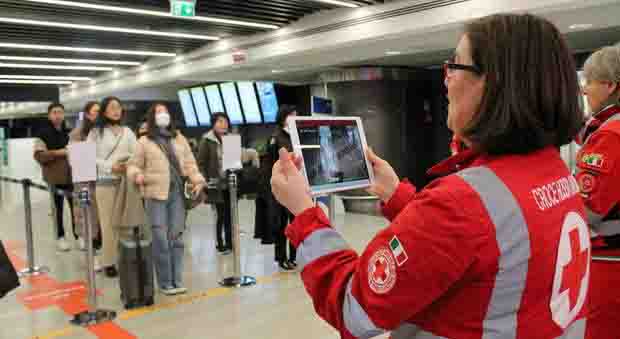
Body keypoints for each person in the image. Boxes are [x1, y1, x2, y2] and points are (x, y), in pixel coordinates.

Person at [270, 13, 589, 339]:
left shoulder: (461, 204)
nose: (446, 78)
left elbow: (354, 307)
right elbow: (481, 239)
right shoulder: (554, 172)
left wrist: (305, 214)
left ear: (493, 85)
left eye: (456, 66)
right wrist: (397, 195)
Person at [128, 103, 205, 295]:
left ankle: (177, 279)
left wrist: (198, 180)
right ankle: (164, 282)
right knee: (160, 238)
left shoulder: (179, 139)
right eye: (158, 112)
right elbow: (133, 165)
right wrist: (136, 175)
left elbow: (190, 164)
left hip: (177, 193)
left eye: (165, 112)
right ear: (152, 117)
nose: (163, 115)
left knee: (176, 237)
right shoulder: (144, 141)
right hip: (155, 194)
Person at [575, 44, 620, 339]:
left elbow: (588, 209)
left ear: (610, 85)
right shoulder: (605, 130)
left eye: (589, 81)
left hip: (610, 260)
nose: (584, 89)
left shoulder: (610, 137)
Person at [87, 97, 137, 278]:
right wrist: (110, 166)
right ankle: (108, 261)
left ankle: (125, 258)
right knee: (108, 224)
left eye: (118, 107)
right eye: (112, 107)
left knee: (125, 223)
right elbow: (89, 157)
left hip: (126, 183)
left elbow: (137, 152)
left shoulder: (128, 131)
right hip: (105, 182)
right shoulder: (95, 132)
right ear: (104, 111)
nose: (116, 110)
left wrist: (128, 164)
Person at [34, 103, 76, 252]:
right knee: (57, 209)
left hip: (72, 177)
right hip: (54, 178)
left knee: (76, 208)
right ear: (49, 115)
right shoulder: (42, 134)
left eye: (60, 112)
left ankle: (79, 236)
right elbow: (39, 156)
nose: (58, 115)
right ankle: (60, 237)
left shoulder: (69, 133)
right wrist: (59, 152)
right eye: (54, 112)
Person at [264, 105, 298, 271]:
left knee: (295, 223)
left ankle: (293, 256)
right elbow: (268, 163)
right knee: (281, 224)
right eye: (291, 115)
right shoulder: (275, 137)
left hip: (295, 185)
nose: (294, 117)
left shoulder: (296, 134)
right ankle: (281, 257)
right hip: (281, 185)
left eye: (295, 115)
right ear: (283, 117)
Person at [69, 101, 102, 258]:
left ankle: (105, 254)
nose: (98, 114)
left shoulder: (105, 131)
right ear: (88, 114)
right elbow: (76, 161)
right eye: (95, 111)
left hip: (104, 182)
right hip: (84, 183)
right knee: (87, 216)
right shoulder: (78, 133)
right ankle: (92, 254)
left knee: (104, 220)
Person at [198, 113, 233, 254]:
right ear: (213, 123)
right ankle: (220, 243)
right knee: (221, 215)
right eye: (219, 121)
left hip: (230, 184)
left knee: (231, 215)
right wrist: (204, 181)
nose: (223, 124)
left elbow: (234, 163)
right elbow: (200, 163)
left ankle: (231, 242)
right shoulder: (206, 140)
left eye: (225, 121)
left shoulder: (231, 139)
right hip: (214, 184)